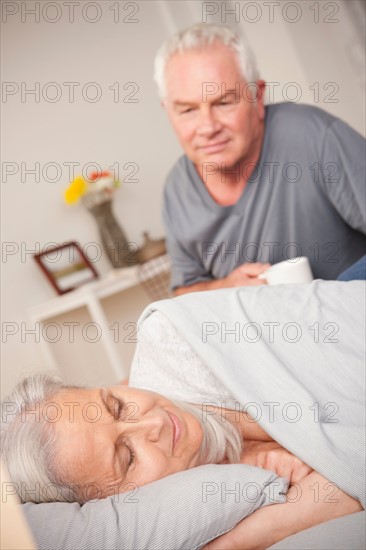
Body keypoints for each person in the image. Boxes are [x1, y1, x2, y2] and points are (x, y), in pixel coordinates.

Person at [155, 24, 366, 295]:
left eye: (224, 103)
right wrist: (225, 288)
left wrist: (326, 300)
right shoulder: (177, 191)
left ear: (257, 96)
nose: (207, 128)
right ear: (168, 111)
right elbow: (183, 291)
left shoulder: (315, 137)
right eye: (187, 110)